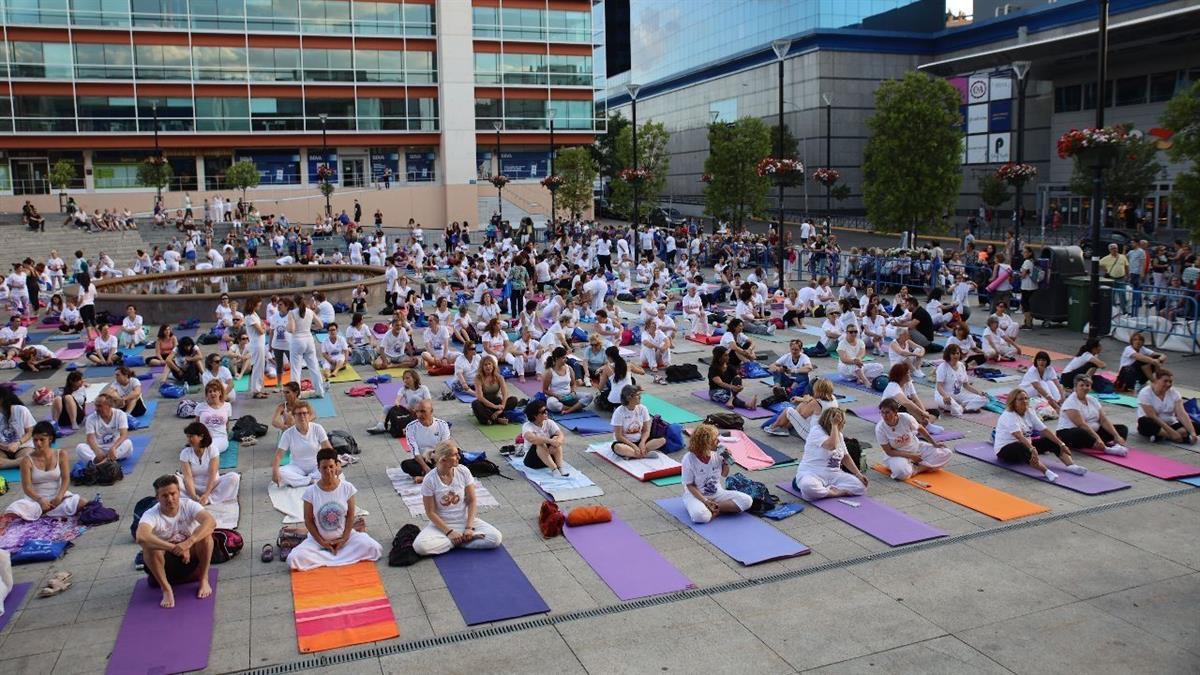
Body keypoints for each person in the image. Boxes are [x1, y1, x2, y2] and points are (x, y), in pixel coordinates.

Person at [287, 448, 383, 570]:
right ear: (318, 468)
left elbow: (350, 515)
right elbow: (308, 520)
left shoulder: (347, 488)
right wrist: (322, 542)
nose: (328, 471)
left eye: (331, 466)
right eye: (324, 467)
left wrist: (344, 539)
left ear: (337, 465)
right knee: (293, 558)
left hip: (346, 538)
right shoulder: (310, 492)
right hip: (318, 541)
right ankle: (336, 555)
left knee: (374, 548)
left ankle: (329, 556)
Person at [136, 474, 216, 608]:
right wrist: (173, 548)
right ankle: (166, 589)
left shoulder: (189, 505)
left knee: (206, 536)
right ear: (157, 498)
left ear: (179, 492)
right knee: (149, 548)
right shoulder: (151, 514)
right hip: (166, 564)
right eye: (164, 496)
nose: (170, 499)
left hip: (190, 560)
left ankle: (204, 579)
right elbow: (141, 537)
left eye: (173, 494)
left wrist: (188, 543)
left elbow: (211, 522)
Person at [412, 441, 503, 556]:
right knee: (420, 547)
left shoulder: (463, 471)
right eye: (455, 455)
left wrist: (469, 527)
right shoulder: (429, 480)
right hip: (441, 526)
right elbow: (430, 512)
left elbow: (472, 500)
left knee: (495, 538)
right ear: (443, 460)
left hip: (464, 521)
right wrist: (449, 532)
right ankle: (461, 540)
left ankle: (455, 541)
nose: (459, 457)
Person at [994, 388, 1085, 482]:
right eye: (1020, 399)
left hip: (1026, 445)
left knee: (1050, 440)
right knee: (1022, 447)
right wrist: (1032, 449)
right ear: (1013, 402)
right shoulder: (1009, 415)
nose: (1024, 401)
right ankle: (1046, 472)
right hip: (1006, 450)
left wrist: (1061, 444)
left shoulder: (1029, 411)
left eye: (1026, 398)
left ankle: (1071, 465)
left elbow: (1044, 429)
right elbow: (1019, 436)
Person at [6, 421, 85, 520]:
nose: (38, 443)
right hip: (36, 500)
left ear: (50, 439)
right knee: (13, 510)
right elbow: (27, 487)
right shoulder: (26, 460)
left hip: (57, 496)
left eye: (42, 440)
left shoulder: (61, 454)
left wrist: (59, 496)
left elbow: (66, 479)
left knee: (82, 502)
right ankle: (46, 512)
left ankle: (45, 513)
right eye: (35, 440)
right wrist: (40, 500)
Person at [681, 423, 751, 523]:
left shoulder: (718, 453)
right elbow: (690, 485)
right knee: (700, 516)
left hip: (717, 493)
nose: (718, 441)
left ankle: (714, 509)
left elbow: (724, 474)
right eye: (715, 440)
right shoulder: (689, 459)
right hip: (696, 495)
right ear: (706, 443)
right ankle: (711, 508)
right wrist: (705, 501)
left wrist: (726, 461)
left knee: (747, 500)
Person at [793, 408, 869, 500]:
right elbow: (831, 446)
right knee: (808, 486)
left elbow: (845, 456)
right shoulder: (816, 431)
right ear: (831, 422)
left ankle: (824, 490)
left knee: (860, 486)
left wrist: (858, 474)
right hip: (813, 473)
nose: (843, 424)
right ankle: (833, 492)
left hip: (834, 475)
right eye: (841, 422)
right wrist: (834, 425)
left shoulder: (839, 435)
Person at [874, 398, 951, 481]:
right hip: (898, 455)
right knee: (901, 473)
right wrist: (911, 456)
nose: (884, 416)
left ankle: (917, 469)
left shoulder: (906, 418)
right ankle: (918, 466)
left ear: (895, 412)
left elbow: (920, 428)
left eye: (887, 412)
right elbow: (889, 451)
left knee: (946, 452)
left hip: (916, 448)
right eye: (882, 412)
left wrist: (934, 443)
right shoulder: (880, 428)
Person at [1056, 375, 1129, 455]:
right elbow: (1081, 424)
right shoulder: (1071, 402)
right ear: (1075, 387)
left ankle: (1117, 444)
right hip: (1070, 432)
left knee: (1122, 428)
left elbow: (1103, 420)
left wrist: (1116, 436)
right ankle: (1106, 449)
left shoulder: (1093, 400)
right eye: (1081, 385)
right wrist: (1097, 438)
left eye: (1087, 385)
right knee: (1080, 432)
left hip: (1093, 431)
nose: (1085, 388)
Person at [177, 421, 240, 507]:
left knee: (234, 477)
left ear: (201, 437)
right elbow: (188, 477)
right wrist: (193, 496)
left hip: (212, 486)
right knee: (173, 480)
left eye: (191, 436)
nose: (188, 440)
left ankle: (208, 499)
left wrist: (206, 495)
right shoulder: (185, 453)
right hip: (193, 486)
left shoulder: (212, 450)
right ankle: (193, 500)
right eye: (187, 437)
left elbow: (212, 475)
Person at [272, 401, 333, 487]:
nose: (302, 416)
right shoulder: (288, 433)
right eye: (299, 414)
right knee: (281, 472)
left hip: (316, 465)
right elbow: (278, 456)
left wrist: (336, 463)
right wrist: (275, 471)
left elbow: (328, 449)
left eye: (304, 413)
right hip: (297, 466)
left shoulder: (317, 428)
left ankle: (302, 480)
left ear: (309, 415)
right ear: (294, 416)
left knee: (329, 470)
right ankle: (310, 480)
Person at [1136, 369, 1197, 445]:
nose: (1168, 384)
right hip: (1155, 423)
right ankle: (1175, 436)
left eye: (1170, 382)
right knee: (1144, 422)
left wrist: (1192, 432)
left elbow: (1181, 413)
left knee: (1196, 426)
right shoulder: (1145, 393)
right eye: (1165, 381)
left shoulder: (1174, 393)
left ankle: (1162, 436)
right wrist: (1172, 433)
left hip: (1171, 423)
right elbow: (1153, 416)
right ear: (1156, 380)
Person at [399, 398, 450, 481]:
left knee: (456, 455)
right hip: (421, 460)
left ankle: (425, 477)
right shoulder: (411, 427)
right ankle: (435, 474)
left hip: (438, 457)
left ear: (431, 411)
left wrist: (436, 458)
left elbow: (445, 447)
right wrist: (426, 468)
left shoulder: (442, 425)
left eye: (423, 411)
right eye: (417, 412)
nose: (419, 415)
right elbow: (415, 452)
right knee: (405, 465)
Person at [610, 385, 665, 459]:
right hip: (625, 442)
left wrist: (642, 442)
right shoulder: (619, 412)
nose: (640, 397)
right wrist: (634, 446)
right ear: (629, 397)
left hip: (640, 440)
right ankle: (643, 454)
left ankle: (633, 454)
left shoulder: (643, 408)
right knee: (618, 447)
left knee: (662, 440)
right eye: (637, 395)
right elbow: (619, 436)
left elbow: (646, 430)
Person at [287, 294, 326, 397]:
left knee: (296, 370)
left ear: (295, 302)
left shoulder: (292, 313)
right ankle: (320, 391)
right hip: (309, 340)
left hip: (297, 341)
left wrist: (287, 327)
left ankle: (296, 394)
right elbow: (321, 325)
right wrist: (310, 327)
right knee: (314, 367)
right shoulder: (310, 312)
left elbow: (291, 329)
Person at [76, 394, 132, 465]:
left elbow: (124, 435)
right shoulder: (90, 418)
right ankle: (108, 461)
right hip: (99, 449)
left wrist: (113, 448)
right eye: (96, 406)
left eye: (99, 406)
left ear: (109, 406)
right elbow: (90, 439)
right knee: (80, 448)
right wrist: (97, 451)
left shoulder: (120, 414)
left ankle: (102, 463)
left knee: (128, 443)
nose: (96, 408)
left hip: (116, 448)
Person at [934, 344, 988, 416]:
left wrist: (979, 392)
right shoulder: (942, 367)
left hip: (958, 395)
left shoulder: (962, 366)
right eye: (953, 354)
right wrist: (945, 396)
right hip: (944, 396)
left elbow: (966, 385)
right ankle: (964, 407)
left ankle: (961, 408)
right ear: (948, 355)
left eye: (957, 353)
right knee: (950, 403)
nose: (956, 355)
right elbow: (939, 386)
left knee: (984, 399)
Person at [520, 399, 570, 476]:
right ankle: (554, 469)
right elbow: (533, 439)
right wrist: (551, 441)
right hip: (532, 461)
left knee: (556, 438)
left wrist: (557, 442)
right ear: (535, 415)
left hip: (547, 457)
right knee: (540, 442)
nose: (546, 412)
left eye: (546, 410)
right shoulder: (527, 426)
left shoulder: (549, 422)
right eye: (543, 412)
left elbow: (560, 434)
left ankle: (560, 467)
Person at [541, 347, 593, 414]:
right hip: (556, 397)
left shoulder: (569, 368)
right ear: (557, 358)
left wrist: (573, 392)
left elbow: (573, 384)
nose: (566, 360)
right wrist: (557, 396)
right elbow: (545, 390)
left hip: (569, 396)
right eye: (563, 358)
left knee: (589, 396)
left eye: (566, 357)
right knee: (551, 404)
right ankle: (575, 408)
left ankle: (569, 410)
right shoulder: (549, 372)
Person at [707, 345, 757, 410]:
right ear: (719, 357)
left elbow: (737, 377)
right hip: (715, 392)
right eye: (725, 355)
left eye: (728, 355)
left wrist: (739, 387)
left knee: (737, 378)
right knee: (725, 397)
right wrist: (732, 387)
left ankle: (731, 398)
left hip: (728, 390)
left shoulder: (729, 366)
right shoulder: (713, 368)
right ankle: (747, 405)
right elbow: (720, 383)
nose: (728, 357)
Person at [471, 355, 517, 425]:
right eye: (485, 365)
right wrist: (494, 406)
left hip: (496, 402)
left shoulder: (499, 377)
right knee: (475, 404)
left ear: (493, 366)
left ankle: (491, 418)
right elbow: (480, 397)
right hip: (485, 404)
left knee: (514, 400)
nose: (488, 366)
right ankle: (497, 419)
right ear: (482, 367)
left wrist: (501, 408)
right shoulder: (478, 378)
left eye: (489, 364)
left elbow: (505, 394)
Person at [1020, 351, 1066, 418]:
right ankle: (1053, 403)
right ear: (1036, 361)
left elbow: (1057, 384)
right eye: (1039, 360)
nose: (1041, 362)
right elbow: (1038, 388)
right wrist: (1052, 402)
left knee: (1050, 382)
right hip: (1027, 391)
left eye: (1043, 360)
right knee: (1042, 383)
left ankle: (1058, 401)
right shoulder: (1032, 371)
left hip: (1041, 391)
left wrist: (1062, 396)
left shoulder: (1050, 369)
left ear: (1047, 361)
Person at [0, 388, 36, 470]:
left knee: (29, 456)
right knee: (30, 460)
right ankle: (20, 462)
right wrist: (4, 446)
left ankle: (6, 463)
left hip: (23, 446)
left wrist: (18, 443)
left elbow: (30, 431)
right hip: (2, 449)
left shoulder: (21, 410)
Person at [194, 381, 232, 456]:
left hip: (221, 438)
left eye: (215, 391)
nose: (212, 393)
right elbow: (197, 425)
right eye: (210, 391)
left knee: (211, 448)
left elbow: (227, 424)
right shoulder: (200, 407)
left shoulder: (227, 406)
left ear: (220, 392)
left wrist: (227, 435)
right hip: (204, 438)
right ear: (207, 394)